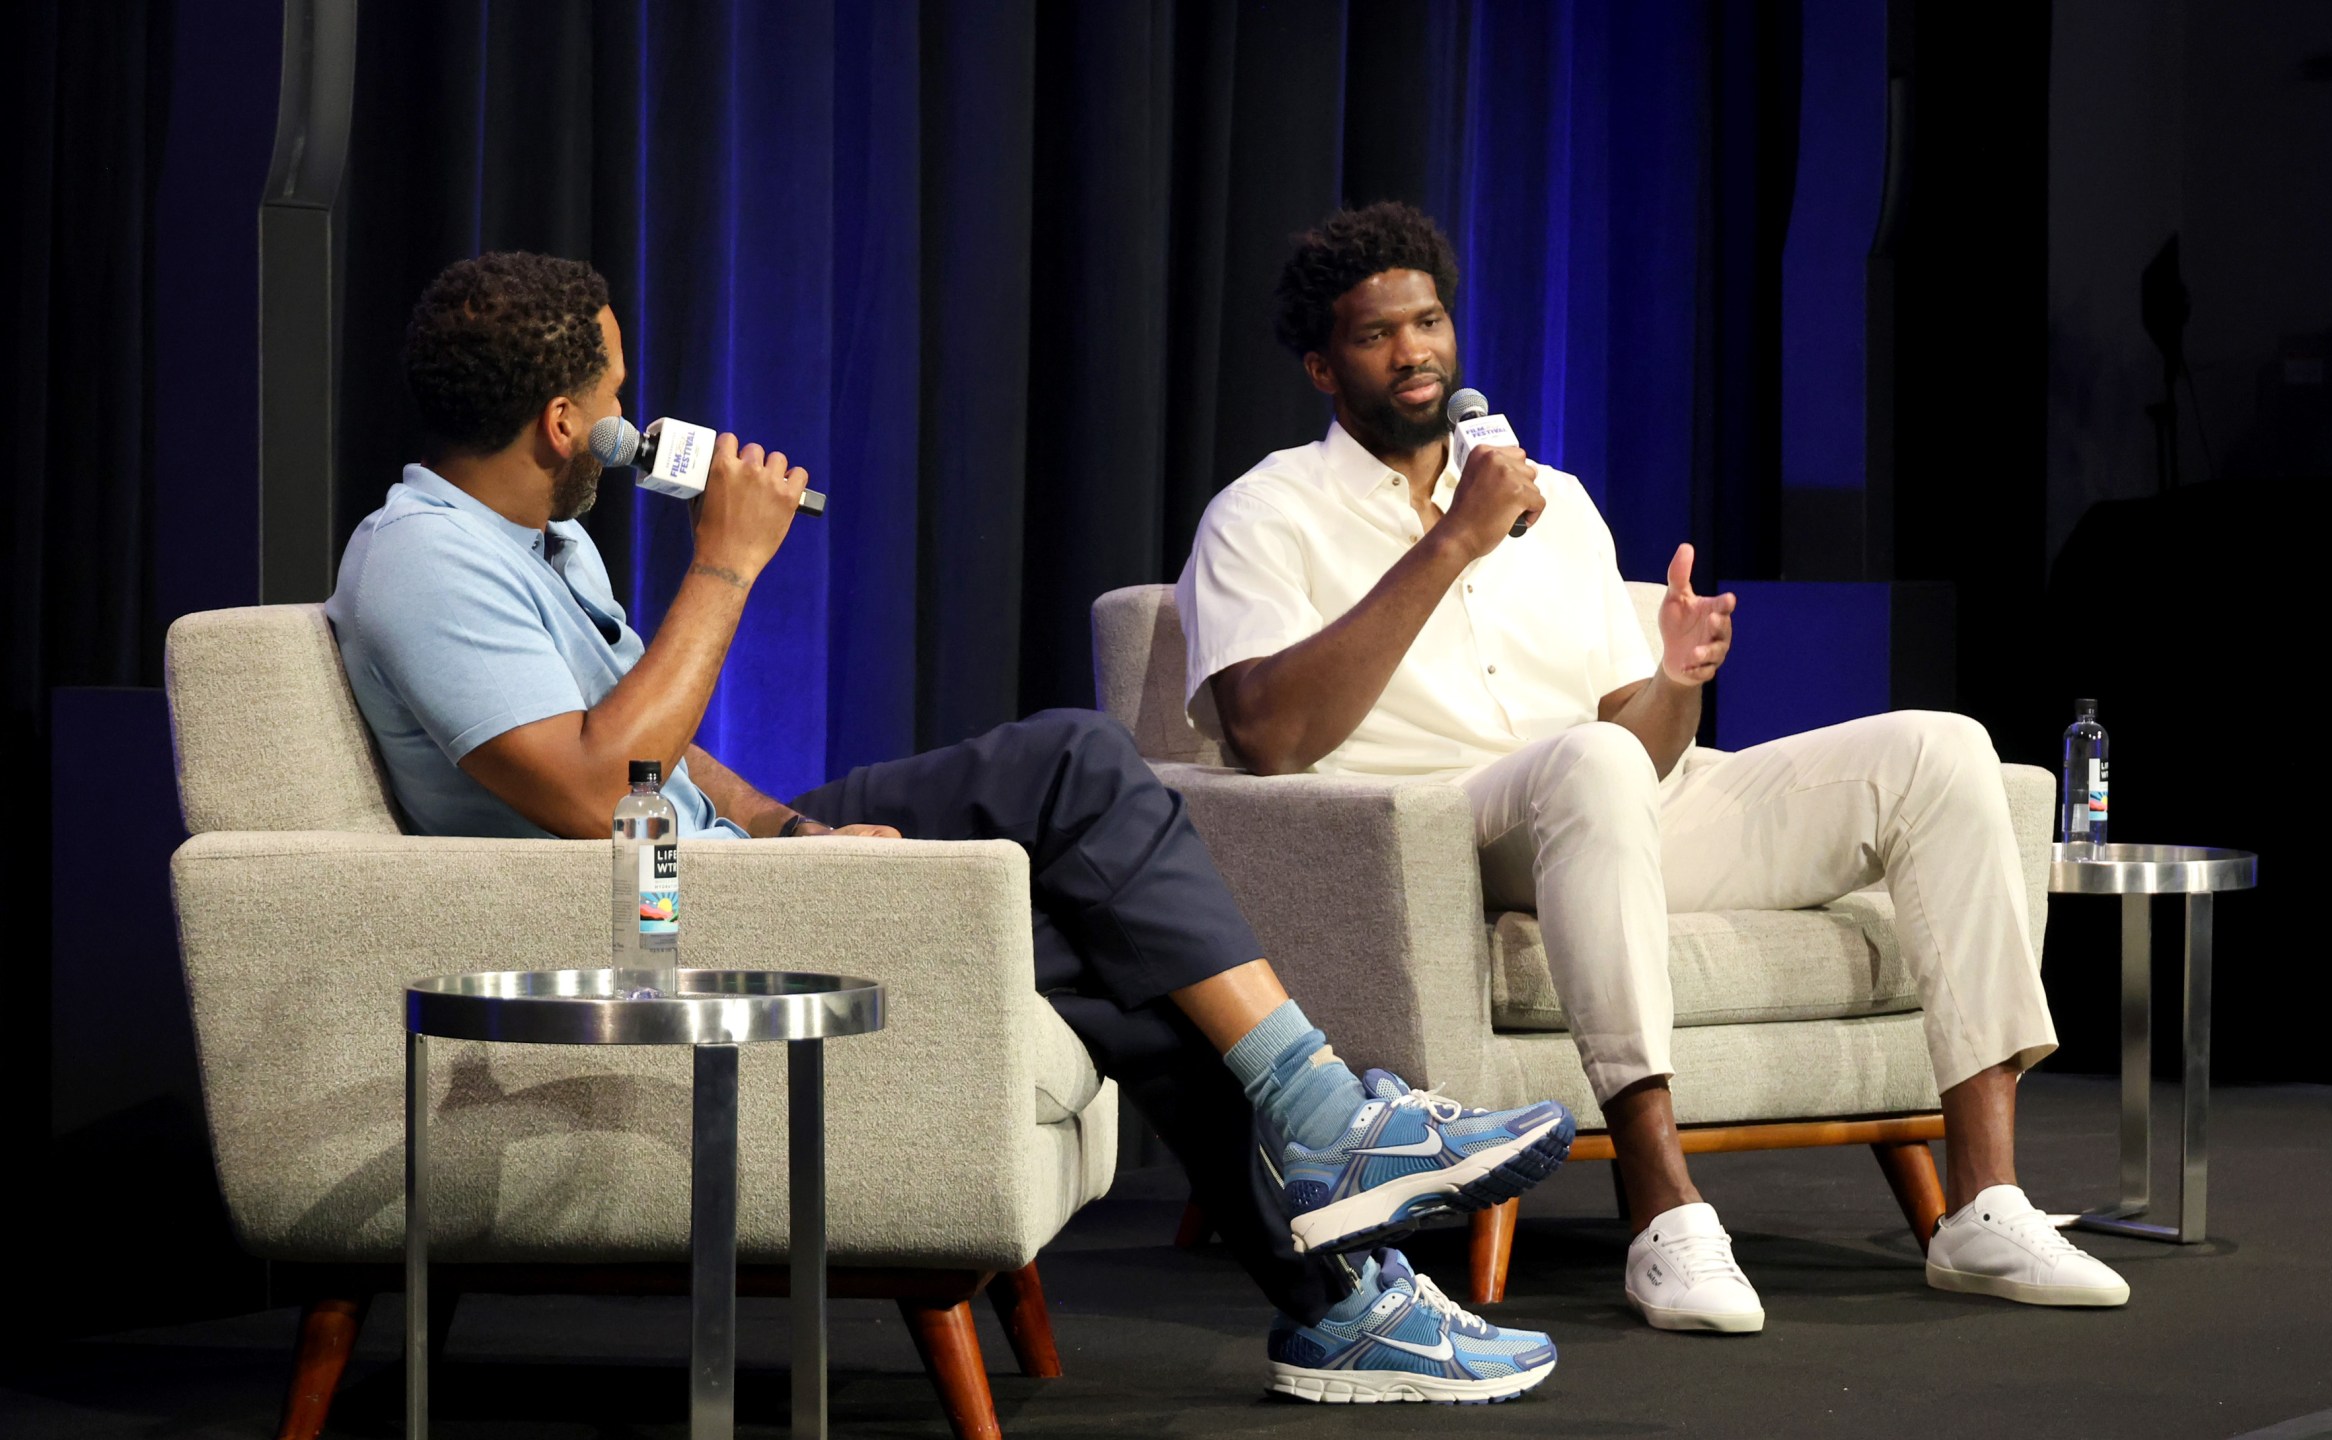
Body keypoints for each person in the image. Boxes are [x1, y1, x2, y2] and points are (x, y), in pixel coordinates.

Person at [327, 251, 1573, 1403]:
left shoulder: (542, 544)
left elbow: (663, 743)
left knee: (1092, 821)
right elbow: (600, 791)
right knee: (1088, 817)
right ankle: (1330, 1201)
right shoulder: (425, 564)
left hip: (723, 863)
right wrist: (725, 565)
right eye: (616, 386)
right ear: (563, 423)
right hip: (653, 917)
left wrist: (787, 832)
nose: (630, 407)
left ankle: (1333, 1257)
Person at [1175, 203, 2131, 1335]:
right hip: (1437, 833)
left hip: (1606, 806)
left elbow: (1637, 743)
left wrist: (1676, 681)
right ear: (1325, 367)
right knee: (1587, 762)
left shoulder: (1556, 504)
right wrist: (1452, 542)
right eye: (1380, 335)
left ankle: (1982, 1202)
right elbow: (1266, 736)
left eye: (1428, 320)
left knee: (1939, 747)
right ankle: (1663, 1213)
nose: (1416, 350)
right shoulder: (1266, 512)